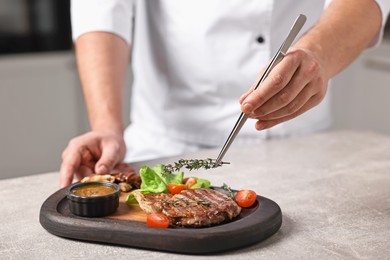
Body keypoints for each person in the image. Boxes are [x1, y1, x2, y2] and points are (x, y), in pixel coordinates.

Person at [60, 0, 390, 188]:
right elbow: (101, 9)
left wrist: (318, 52)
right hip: (167, 144)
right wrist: (106, 125)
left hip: (298, 140)